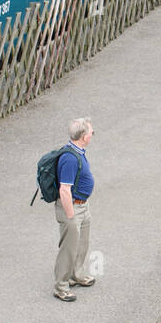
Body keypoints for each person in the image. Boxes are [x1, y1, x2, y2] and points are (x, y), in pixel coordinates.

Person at [53, 117, 95, 302]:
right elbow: (64, 189)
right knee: (68, 248)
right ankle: (61, 287)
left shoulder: (78, 151)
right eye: (91, 132)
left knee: (82, 243)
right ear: (84, 136)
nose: (92, 134)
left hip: (82, 206)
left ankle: (76, 274)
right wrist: (70, 216)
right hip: (73, 208)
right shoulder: (69, 159)